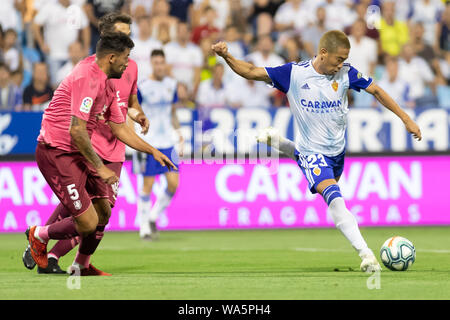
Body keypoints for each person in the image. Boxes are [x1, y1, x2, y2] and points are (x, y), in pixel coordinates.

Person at [212, 30, 422, 272]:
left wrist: (406, 118)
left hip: (337, 152)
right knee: (334, 197)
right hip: (313, 151)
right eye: (339, 59)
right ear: (323, 53)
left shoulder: (346, 73)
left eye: (345, 59)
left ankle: (283, 144)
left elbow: (376, 90)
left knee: (329, 185)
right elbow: (250, 71)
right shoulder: (294, 74)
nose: (342, 64)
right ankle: (366, 255)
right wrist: (227, 56)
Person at [25, 32, 176, 276]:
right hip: (57, 151)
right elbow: (76, 130)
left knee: (104, 211)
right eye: (126, 58)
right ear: (112, 57)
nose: (128, 64)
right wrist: (100, 166)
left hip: (78, 152)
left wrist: (152, 150)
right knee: (88, 222)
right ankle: (38, 234)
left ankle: (80, 264)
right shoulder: (88, 79)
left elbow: (118, 126)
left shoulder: (107, 82)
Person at [133, 49, 183, 240]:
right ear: (152, 64)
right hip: (149, 142)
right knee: (148, 184)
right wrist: (132, 137)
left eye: (162, 62)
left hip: (167, 141)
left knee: (173, 183)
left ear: (165, 63)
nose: (160, 66)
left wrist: (179, 134)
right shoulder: (143, 86)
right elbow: (133, 110)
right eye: (156, 63)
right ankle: (144, 226)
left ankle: (153, 216)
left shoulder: (172, 84)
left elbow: (172, 112)